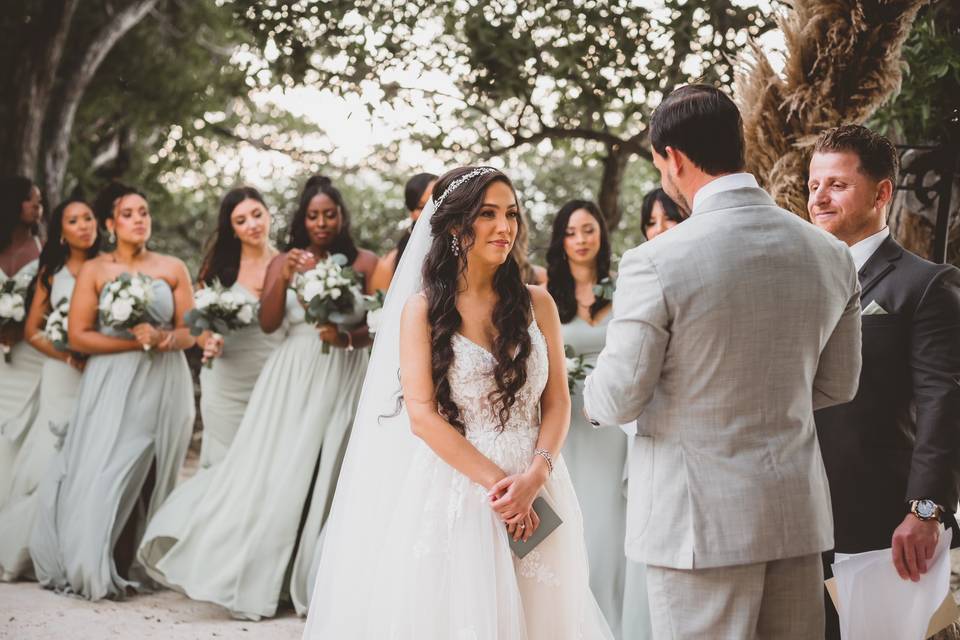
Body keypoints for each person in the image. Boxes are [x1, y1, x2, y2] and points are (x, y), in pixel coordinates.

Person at [583, 84, 863, 639]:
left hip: (696, 530)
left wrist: (589, 399)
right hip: (793, 519)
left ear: (674, 159)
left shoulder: (656, 262)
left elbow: (616, 397)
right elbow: (839, 385)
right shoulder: (830, 254)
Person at [302, 166, 613, 639]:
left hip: (539, 482)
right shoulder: (422, 310)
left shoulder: (538, 304)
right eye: (487, 214)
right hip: (461, 488)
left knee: (547, 616)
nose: (504, 227)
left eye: (511, 213)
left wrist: (536, 475)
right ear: (453, 226)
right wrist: (503, 488)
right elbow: (423, 417)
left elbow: (556, 403)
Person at [138, 175, 376, 619]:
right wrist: (283, 278)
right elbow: (269, 322)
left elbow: (380, 321)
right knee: (277, 473)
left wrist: (346, 337)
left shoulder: (365, 261)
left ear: (342, 215)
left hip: (343, 374)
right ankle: (260, 571)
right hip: (290, 375)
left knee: (329, 472)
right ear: (301, 219)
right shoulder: (284, 260)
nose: (322, 221)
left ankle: (316, 575)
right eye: (313, 214)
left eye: (329, 213)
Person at [808, 124, 960, 639]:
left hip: (884, 521)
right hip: (801, 517)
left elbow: (943, 400)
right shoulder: (798, 280)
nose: (819, 197)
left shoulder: (926, 285)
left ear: (882, 192)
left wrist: (926, 508)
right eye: (813, 185)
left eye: (837, 184)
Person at [30, 184, 196, 600]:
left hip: (165, 378)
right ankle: (94, 556)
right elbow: (80, 336)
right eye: (128, 213)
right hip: (112, 379)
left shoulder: (173, 267)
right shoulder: (97, 270)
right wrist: (134, 344)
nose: (139, 219)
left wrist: (163, 337)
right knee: (109, 463)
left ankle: (138, 560)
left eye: (144, 211)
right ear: (111, 224)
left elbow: (192, 331)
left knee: (156, 465)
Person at [545, 199, 651, 638]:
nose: (581, 240)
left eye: (589, 230)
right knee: (575, 528)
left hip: (612, 431)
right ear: (561, 241)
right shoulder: (544, 294)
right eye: (571, 232)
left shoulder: (624, 287)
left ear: (602, 235)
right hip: (565, 430)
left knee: (611, 531)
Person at [0, 198, 99, 581]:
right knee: (50, 454)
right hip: (61, 372)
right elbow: (32, 331)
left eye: (88, 218)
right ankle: (25, 549)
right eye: (73, 220)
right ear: (61, 230)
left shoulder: (110, 268)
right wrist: (67, 352)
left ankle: (76, 544)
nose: (83, 226)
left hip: (100, 370)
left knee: (89, 455)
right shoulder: (52, 271)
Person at [194, 187, 282, 468]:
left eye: (257, 214)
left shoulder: (287, 263)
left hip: (275, 378)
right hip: (228, 383)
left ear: (268, 215)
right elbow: (199, 326)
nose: (252, 225)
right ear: (231, 229)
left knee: (268, 462)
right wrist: (208, 340)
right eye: (241, 220)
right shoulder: (219, 269)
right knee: (226, 464)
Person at [0, 176, 45, 504]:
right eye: (32, 200)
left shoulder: (44, 251)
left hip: (30, 354)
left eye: (40, 201)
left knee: (24, 429)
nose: (38, 207)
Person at [369, 172, 437, 292]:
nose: (431, 212)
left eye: (437, 203)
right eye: (422, 207)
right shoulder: (390, 262)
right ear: (411, 212)